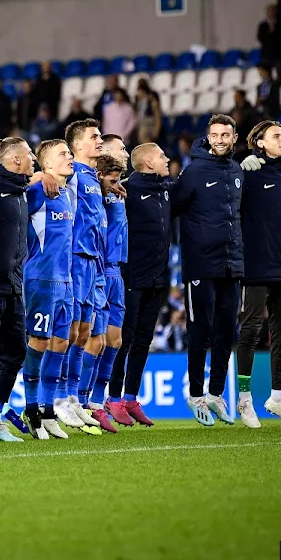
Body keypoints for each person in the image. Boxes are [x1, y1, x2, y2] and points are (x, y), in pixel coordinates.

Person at [0, 137, 58, 441]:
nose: (34, 161)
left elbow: (50, 182)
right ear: (14, 161)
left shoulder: (22, 189)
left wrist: (44, 175)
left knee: (15, 353)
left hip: (13, 283)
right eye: (29, 157)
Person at [171, 115, 245, 426]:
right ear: (208, 137)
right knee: (200, 330)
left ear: (234, 138)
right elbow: (171, 209)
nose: (219, 139)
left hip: (233, 263)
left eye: (225, 135)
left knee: (226, 332)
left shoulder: (239, 171)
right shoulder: (194, 171)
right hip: (201, 262)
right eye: (215, 134)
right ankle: (196, 393)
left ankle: (216, 394)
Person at [236, 121, 281, 429]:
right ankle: (244, 399)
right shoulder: (248, 172)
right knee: (250, 330)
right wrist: (240, 165)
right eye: (276, 136)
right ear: (259, 143)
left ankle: (277, 395)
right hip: (256, 264)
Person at [106, 143, 172, 424]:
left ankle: (131, 397)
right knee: (125, 339)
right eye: (161, 157)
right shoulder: (126, 189)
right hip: (131, 277)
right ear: (147, 163)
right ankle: (113, 398)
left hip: (157, 278)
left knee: (144, 339)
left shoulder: (167, 190)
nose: (167, 159)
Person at [20, 138, 77, 441]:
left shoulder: (67, 192)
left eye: (69, 152)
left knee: (60, 345)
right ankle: (30, 408)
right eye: (62, 154)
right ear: (47, 165)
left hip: (65, 280)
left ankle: (48, 410)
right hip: (41, 279)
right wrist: (37, 177)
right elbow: (11, 192)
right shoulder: (39, 189)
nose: (69, 157)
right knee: (39, 342)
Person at [64, 119, 107, 433]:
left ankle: (74, 399)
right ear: (77, 145)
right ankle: (60, 398)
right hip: (76, 261)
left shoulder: (92, 176)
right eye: (94, 137)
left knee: (84, 332)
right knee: (71, 331)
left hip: (93, 262)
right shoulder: (73, 174)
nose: (99, 140)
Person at [91, 141, 127, 430]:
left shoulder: (117, 195)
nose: (116, 185)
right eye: (112, 180)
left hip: (116, 274)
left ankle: (99, 400)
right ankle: (82, 400)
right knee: (93, 340)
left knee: (114, 341)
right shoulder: (91, 198)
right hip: (96, 272)